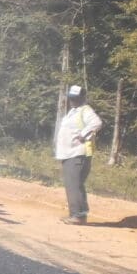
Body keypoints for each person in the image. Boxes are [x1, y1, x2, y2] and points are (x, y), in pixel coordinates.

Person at [55, 84, 102, 225]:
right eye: (71, 98)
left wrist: (83, 135)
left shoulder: (85, 110)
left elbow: (96, 123)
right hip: (69, 153)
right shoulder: (73, 111)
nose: (73, 101)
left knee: (74, 184)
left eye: (76, 98)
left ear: (82, 98)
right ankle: (76, 214)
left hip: (78, 153)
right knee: (72, 184)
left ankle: (79, 216)